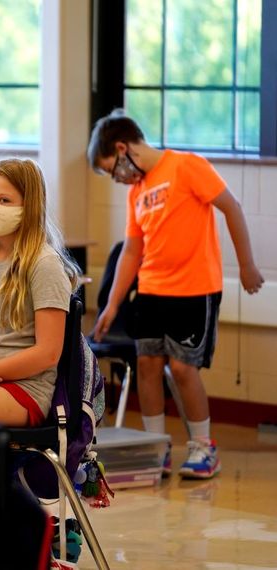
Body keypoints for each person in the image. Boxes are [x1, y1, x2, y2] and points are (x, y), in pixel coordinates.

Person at [88, 108, 264, 479]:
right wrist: (113, 305)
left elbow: (231, 207)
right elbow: (133, 251)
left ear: (123, 148)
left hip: (194, 290)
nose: (116, 179)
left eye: (112, 169)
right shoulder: (138, 191)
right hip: (152, 291)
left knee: (183, 369)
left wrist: (247, 265)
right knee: (148, 366)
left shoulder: (186, 166)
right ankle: (156, 449)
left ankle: (203, 447)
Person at [0, 158, 79, 427]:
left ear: (29, 206)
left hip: (25, 389)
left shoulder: (43, 263)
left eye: (4, 200)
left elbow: (48, 352)